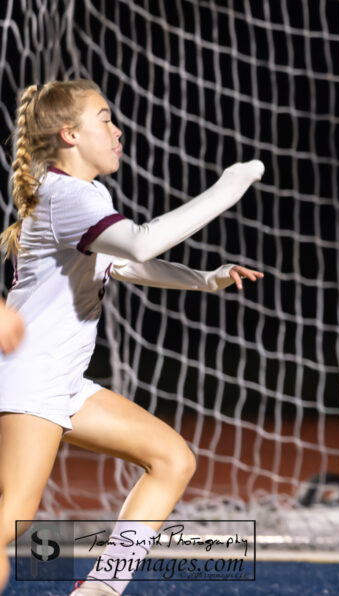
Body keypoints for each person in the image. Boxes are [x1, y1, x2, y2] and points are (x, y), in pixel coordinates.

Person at [0, 80, 265, 595]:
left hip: (60, 382)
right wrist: (231, 184)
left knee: (172, 459)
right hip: (29, 378)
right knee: (13, 518)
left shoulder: (84, 195)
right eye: (105, 118)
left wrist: (205, 279)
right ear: (70, 134)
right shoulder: (66, 195)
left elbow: (123, 263)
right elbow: (143, 243)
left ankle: (99, 591)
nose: (118, 129)